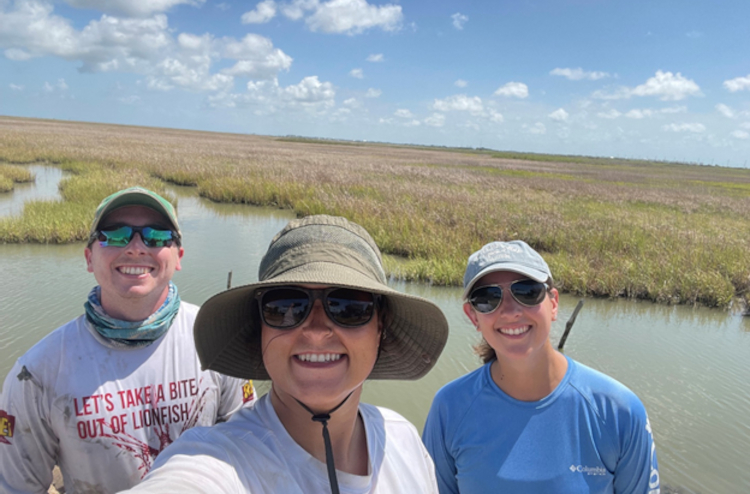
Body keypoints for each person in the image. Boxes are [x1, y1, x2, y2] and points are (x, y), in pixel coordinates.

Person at [120, 214, 450, 494]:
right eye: (286, 308)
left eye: (349, 307)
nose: (317, 330)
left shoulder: (403, 439)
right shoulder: (218, 460)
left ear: (381, 327)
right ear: (260, 326)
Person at [0, 187, 254, 494]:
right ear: (88, 258)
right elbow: (17, 487)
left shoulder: (217, 338)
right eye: (115, 235)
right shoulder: (36, 372)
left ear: (178, 257)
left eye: (156, 236)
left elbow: (249, 450)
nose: (136, 247)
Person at [422, 240, 660, 494]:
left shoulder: (618, 411)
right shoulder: (449, 409)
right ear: (473, 316)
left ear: (554, 303)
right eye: (488, 298)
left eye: (526, 292)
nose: (510, 311)